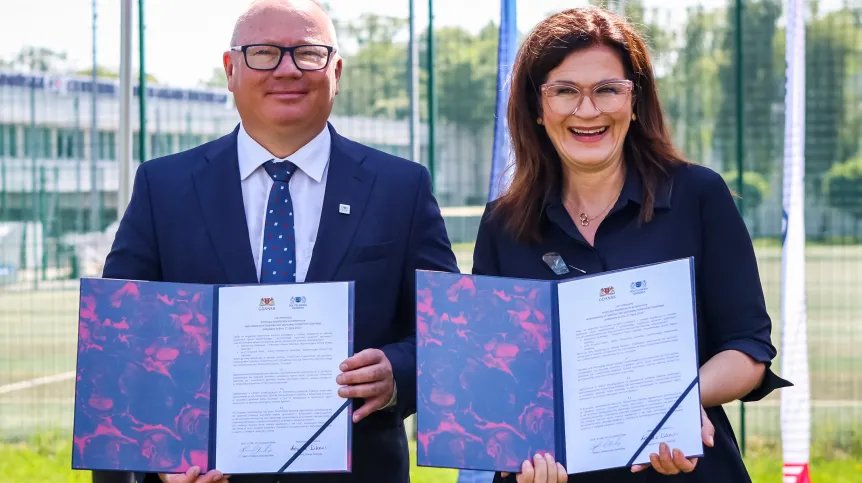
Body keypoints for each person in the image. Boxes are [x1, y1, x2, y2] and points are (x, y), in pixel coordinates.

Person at [94, 1, 459, 482]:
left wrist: (397, 374)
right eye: (264, 53)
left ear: (336, 70)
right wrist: (160, 460)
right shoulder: (164, 188)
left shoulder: (400, 188)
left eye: (308, 53)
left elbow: (450, 333)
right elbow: (121, 344)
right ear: (230, 69)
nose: (287, 69)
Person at [473, 7, 792, 483]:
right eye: (564, 91)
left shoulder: (698, 196)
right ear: (537, 109)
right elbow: (494, 379)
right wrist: (520, 458)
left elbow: (748, 350)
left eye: (607, 89)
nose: (588, 110)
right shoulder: (503, 225)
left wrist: (672, 404)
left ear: (635, 101)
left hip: (687, 467)